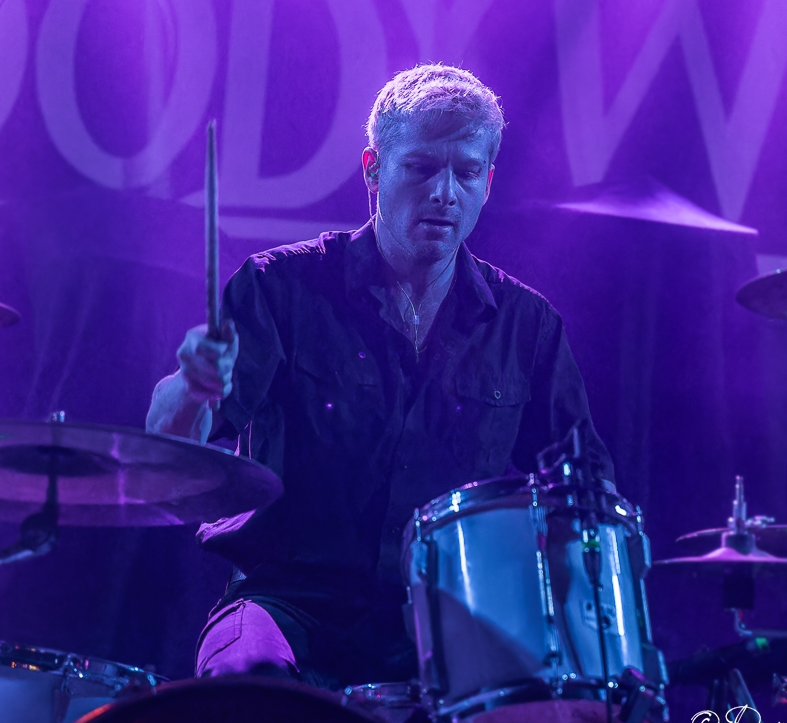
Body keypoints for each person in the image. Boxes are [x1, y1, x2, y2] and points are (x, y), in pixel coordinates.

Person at [146, 64, 613, 689]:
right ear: (373, 169)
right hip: (285, 603)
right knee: (247, 684)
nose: (444, 192)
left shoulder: (528, 328)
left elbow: (586, 493)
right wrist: (193, 386)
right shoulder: (280, 287)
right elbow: (169, 445)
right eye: (421, 168)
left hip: (443, 625)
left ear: (487, 182)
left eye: (466, 172)